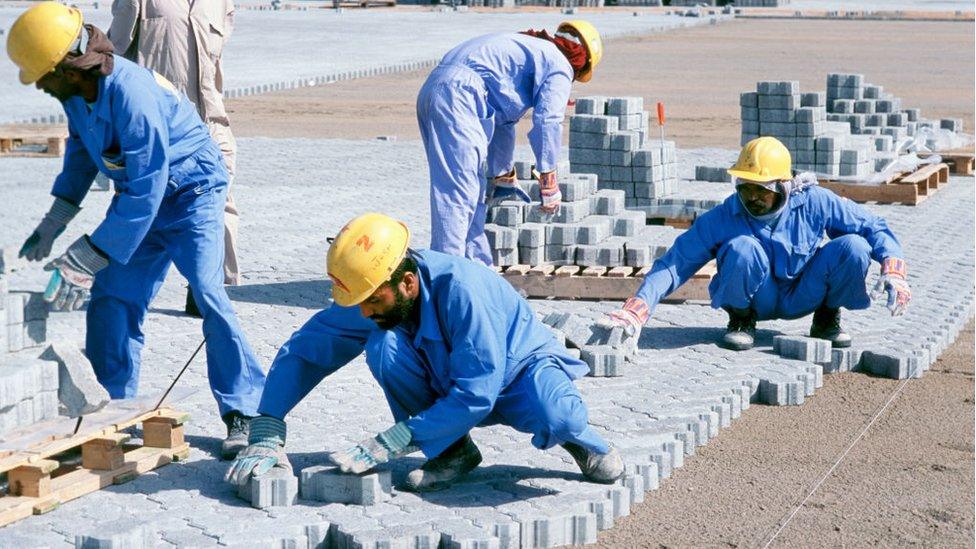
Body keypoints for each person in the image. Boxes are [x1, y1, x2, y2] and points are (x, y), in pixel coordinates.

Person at [7, 2, 265, 458]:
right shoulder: (77, 95)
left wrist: (89, 252)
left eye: (42, 75)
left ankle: (244, 411)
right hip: (142, 200)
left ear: (67, 66)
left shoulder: (131, 93)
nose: (42, 87)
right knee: (112, 294)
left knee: (207, 292)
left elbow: (149, 188)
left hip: (191, 192)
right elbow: (84, 155)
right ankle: (112, 405)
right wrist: (56, 220)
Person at [225, 213, 624, 492]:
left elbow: (477, 394)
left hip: (518, 375)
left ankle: (581, 444)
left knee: (560, 415)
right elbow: (307, 350)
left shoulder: (463, 293)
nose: (364, 311)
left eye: (371, 301)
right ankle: (453, 451)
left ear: (409, 283)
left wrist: (397, 438)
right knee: (383, 346)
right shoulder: (378, 292)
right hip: (452, 374)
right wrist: (268, 425)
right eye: (359, 301)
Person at [601, 136, 911, 351]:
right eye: (745, 187)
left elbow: (874, 226)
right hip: (757, 300)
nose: (752, 197)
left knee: (855, 247)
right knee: (741, 248)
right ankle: (740, 321)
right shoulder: (725, 215)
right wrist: (638, 308)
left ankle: (828, 318)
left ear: (783, 185)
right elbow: (675, 263)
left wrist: (893, 268)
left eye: (761, 189)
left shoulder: (816, 201)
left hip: (806, 294)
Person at [417, 21, 603, 266]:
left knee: (470, 191)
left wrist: (502, 174)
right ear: (581, 61)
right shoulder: (559, 65)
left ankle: (479, 271)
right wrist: (549, 182)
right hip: (460, 97)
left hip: (435, 90)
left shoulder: (530, 49)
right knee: (458, 193)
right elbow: (548, 121)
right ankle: (445, 278)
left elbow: (502, 121)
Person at [108, 0, 241, 317]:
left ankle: (208, 290)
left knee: (221, 201)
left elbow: (214, 61)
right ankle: (122, 290)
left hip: (209, 121)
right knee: (142, 202)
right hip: (158, 123)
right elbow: (114, 56)